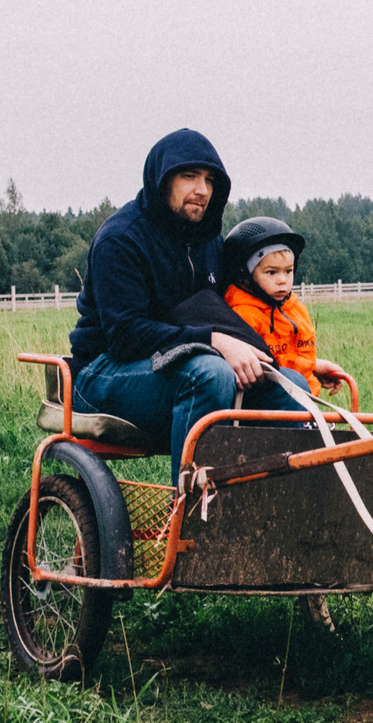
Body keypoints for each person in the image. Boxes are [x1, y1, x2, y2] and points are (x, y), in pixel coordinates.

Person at [66, 131, 307, 477]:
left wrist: (291, 351)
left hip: (183, 366)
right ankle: (190, 520)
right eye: (189, 176)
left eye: (210, 180)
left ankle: (266, 517)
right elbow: (125, 336)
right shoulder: (121, 239)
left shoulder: (208, 240)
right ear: (161, 180)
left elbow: (234, 311)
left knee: (292, 386)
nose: (203, 190)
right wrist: (213, 341)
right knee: (209, 375)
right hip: (105, 371)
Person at [218, 216, 326, 396]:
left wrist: (316, 365)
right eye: (271, 272)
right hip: (268, 404)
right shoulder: (242, 314)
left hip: (307, 403)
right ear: (245, 275)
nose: (282, 280)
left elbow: (293, 356)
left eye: (288, 271)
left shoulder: (295, 309)